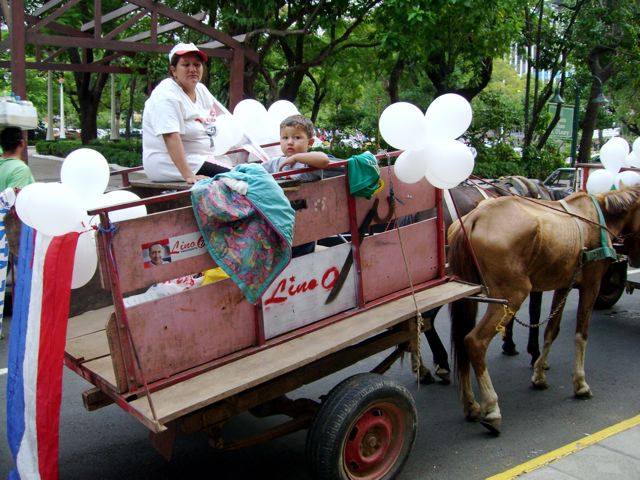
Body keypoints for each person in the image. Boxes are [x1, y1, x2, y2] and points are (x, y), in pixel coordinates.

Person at [142, 42, 232, 184]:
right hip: (170, 163)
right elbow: (170, 137)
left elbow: (215, 119)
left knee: (250, 172)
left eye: (197, 65)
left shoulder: (201, 90)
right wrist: (188, 175)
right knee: (241, 178)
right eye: (186, 65)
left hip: (199, 158)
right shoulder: (166, 94)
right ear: (173, 70)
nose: (192, 69)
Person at [261, 114, 330, 181]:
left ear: (310, 142)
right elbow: (254, 170)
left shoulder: (309, 162)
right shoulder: (275, 162)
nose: (289, 142)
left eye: (297, 137)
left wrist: (296, 158)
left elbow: (324, 160)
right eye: (285, 138)